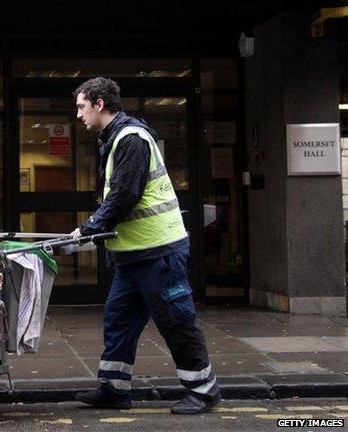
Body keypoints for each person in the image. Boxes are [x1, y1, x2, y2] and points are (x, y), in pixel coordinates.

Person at [69, 77, 221, 414]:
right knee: (118, 319)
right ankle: (115, 388)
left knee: (175, 320)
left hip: (159, 252)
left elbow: (124, 195)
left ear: (98, 104)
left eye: (81, 106)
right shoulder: (113, 138)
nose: (78, 115)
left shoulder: (131, 139)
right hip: (133, 254)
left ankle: (203, 390)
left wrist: (89, 227)